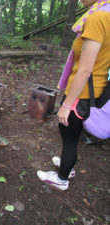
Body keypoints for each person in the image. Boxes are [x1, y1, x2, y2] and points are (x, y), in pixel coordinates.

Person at [37, 0, 110, 191]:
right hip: (94, 89)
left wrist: (67, 104)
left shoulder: (98, 17)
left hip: (82, 93)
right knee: (68, 132)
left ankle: (61, 178)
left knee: (69, 136)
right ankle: (66, 165)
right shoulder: (106, 12)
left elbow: (85, 70)